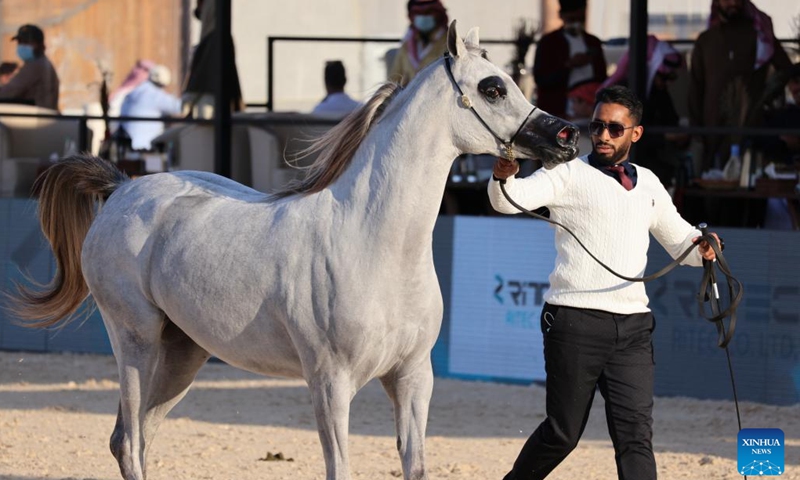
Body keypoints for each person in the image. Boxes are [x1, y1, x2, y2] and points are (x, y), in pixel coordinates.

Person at [488, 85, 721, 480]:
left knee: (635, 437)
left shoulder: (648, 183)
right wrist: (502, 177)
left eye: (615, 128)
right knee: (562, 435)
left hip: (633, 327)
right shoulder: (565, 172)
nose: (603, 135)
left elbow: (681, 241)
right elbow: (506, 200)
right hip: (574, 321)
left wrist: (705, 247)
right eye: (597, 126)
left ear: (636, 133)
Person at [688, 0, 792, 174]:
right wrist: (696, 128)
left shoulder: (759, 35)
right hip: (712, 128)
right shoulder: (706, 40)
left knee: (747, 181)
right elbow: (696, 88)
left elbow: (786, 70)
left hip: (750, 126)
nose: (733, 3)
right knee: (712, 183)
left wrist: (768, 100)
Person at [602, 34, 688, 187]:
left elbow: (671, 119)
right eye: (663, 76)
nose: (666, 82)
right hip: (623, 159)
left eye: (671, 78)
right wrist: (664, 137)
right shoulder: (624, 91)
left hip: (651, 157)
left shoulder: (658, 91)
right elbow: (622, 133)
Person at [532, 0, 606, 118]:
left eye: (580, 19)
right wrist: (569, 65)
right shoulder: (549, 42)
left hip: (589, 110)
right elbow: (541, 78)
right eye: (572, 19)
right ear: (561, 16)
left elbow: (602, 77)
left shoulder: (593, 42)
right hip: (558, 110)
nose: (576, 23)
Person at [182, 0, 244, 118]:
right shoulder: (214, 38)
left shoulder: (213, 38)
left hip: (211, 101)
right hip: (213, 99)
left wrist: (190, 95)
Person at [119, 65, 182, 150]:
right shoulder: (155, 95)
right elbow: (180, 107)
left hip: (126, 144)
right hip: (145, 148)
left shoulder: (137, 90)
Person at [388, 0, 449, 87]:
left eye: (428, 13)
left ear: (438, 15)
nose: (423, 17)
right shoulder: (407, 45)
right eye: (418, 13)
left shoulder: (450, 44)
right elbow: (393, 80)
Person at [0, 24, 59, 109]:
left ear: (39, 44)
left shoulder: (36, 65)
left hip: (38, 118)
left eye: (27, 42)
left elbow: (8, 91)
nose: (22, 46)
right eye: (20, 42)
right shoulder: (41, 64)